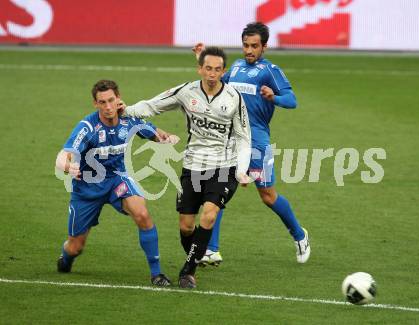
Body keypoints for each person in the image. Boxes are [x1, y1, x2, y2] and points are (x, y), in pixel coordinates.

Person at [121, 46, 251, 288]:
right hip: (192, 166)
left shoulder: (234, 98)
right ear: (200, 69)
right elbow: (153, 105)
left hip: (224, 167)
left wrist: (242, 169)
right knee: (186, 225)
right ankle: (195, 256)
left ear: (224, 72)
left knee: (209, 216)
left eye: (217, 69)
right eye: (208, 68)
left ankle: (188, 271)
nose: (212, 74)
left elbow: (244, 136)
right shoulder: (186, 91)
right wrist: (126, 110)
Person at [193, 22, 310, 265]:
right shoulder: (235, 67)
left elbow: (292, 100)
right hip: (230, 140)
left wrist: (274, 97)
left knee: (267, 196)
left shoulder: (270, 70)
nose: (249, 50)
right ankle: (211, 249)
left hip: (257, 141)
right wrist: (202, 60)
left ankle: (299, 235)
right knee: (217, 192)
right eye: (246, 45)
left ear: (264, 47)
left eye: (254, 46)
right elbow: (218, 82)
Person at [55, 79, 179, 286]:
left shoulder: (128, 119)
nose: (108, 107)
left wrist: (166, 138)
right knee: (76, 246)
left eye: (111, 100)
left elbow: (155, 134)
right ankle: (66, 258)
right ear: (95, 104)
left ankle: (157, 274)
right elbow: (63, 155)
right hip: (87, 189)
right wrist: (67, 167)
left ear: (118, 97)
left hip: (116, 179)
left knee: (142, 212)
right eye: (102, 102)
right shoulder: (88, 127)